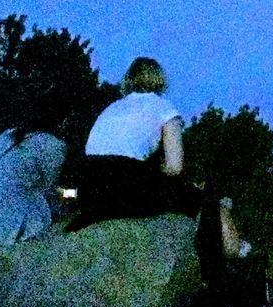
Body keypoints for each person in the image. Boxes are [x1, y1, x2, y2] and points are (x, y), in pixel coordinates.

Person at [69, 57, 198, 229]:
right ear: (160, 78)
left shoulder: (113, 107)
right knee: (195, 197)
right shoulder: (165, 108)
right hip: (123, 182)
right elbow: (175, 167)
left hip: (87, 186)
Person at [0, 100, 67, 245]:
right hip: (2, 222)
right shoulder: (52, 145)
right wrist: (73, 193)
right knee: (57, 201)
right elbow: (50, 190)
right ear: (63, 121)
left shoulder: (7, 135)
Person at [189, 194, 252, 307]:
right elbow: (232, 248)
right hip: (214, 278)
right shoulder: (219, 215)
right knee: (213, 301)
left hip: (193, 275)